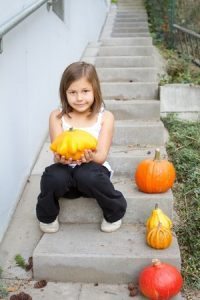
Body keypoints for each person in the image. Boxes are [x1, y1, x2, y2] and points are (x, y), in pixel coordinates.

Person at [36, 61, 127, 233]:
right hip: (66, 176)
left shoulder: (105, 117)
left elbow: (101, 156)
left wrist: (90, 158)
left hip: (92, 173)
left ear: (95, 91)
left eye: (85, 91)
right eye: (72, 92)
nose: (79, 98)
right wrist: (61, 159)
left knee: (87, 174)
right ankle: (47, 216)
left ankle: (114, 211)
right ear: (64, 93)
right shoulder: (56, 116)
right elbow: (57, 152)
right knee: (51, 176)